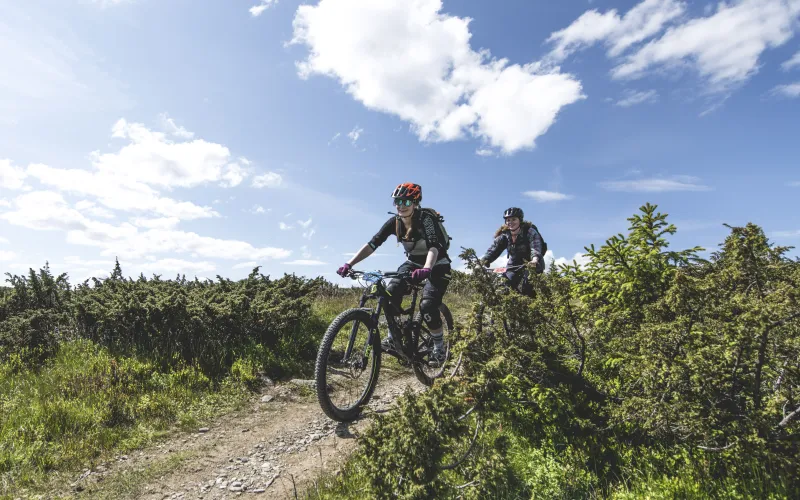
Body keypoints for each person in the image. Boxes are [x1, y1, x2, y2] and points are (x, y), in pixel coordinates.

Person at [336, 182, 451, 363]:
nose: (400, 205)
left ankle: (439, 347)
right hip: (413, 262)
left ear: (415, 203)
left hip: (438, 263)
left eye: (406, 202)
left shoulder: (426, 219)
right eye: (397, 201)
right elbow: (372, 244)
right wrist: (349, 264)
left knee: (428, 305)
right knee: (391, 290)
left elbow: (434, 247)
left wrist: (427, 268)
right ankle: (393, 336)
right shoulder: (394, 222)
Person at [480, 207, 544, 296]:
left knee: (528, 288)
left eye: (514, 219)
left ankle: (532, 307)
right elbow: (494, 249)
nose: (510, 222)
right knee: (505, 284)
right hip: (515, 261)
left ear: (520, 220)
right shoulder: (504, 235)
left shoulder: (530, 232)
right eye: (508, 220)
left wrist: (535, 260)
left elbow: (535, 247)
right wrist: (484, 260)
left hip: (533, 262)